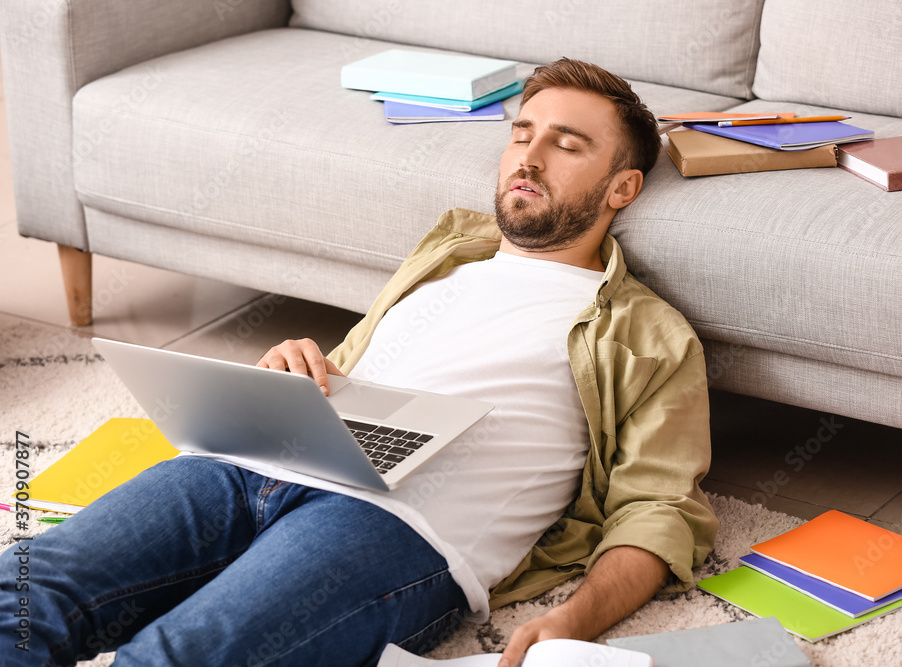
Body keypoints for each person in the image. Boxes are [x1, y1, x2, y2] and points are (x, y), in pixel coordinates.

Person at [0, 58, 717, 666]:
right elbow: (353, 367)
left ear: (621, 188)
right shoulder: (446, 256)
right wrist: (295, 367)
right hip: (251, 462)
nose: (528, 157)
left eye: (567, 145)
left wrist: (574, 621)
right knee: (24, 591)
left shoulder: (650, 333)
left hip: (395, 528)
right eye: (522, 135)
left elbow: (659, 511)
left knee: (176, 655)